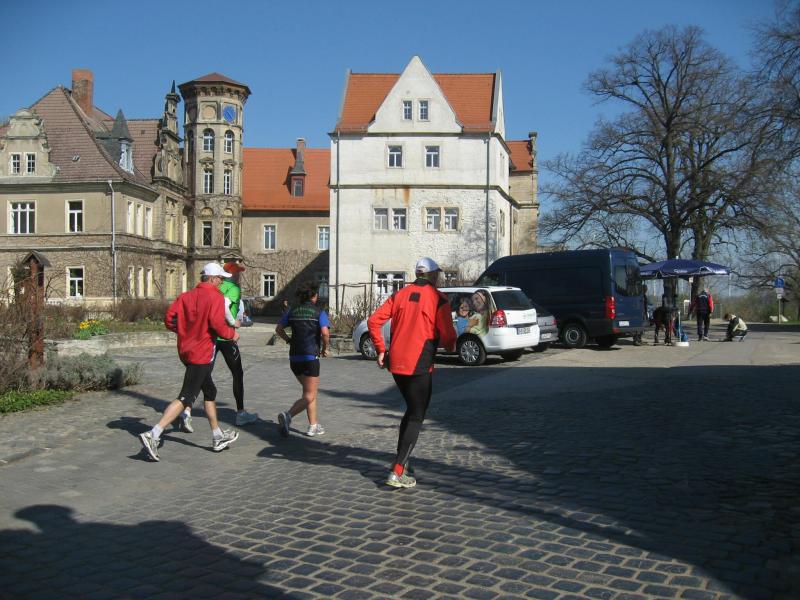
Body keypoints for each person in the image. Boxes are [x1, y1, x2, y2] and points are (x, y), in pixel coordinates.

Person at [367, 257, 457, 489]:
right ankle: (397, 470)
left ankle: (401, 463)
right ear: (433, 275)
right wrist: (452, 344)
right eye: (438, 274)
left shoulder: (400, 294)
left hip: (396, 363)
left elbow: (374, 321)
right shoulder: (438, 298)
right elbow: (448, 337)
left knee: (411, 410)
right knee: (417, 414)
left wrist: (381, 349)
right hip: (419, 364)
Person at [139, 263, 240, 462]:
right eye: (220, 278)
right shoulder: (215, 297)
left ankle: (217, 436)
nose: (222, 282)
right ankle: (153, 434)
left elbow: (169, 319)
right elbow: (216, 323)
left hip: (186, 350)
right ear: (212, 278)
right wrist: (231, 334)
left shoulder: (186, 296)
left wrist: (185, 333)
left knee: (210, 391)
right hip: (201, 354)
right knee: (186, 397)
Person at [178, 260, 257, 432]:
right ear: (232, 273)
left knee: (202, 375)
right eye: (238, 272)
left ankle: (187, 411)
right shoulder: (233, 288)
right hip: (225, 336)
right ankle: (241, 413)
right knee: (237, 374)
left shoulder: (210, 287)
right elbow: (225, 304)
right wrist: (233, 322)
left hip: (209, 337)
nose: (240, 275)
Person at [276, 281, 331, 437]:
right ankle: (288, 415)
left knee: (309, 392)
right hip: (310, 357)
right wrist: (325, 348)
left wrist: (288, 340)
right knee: (310, 394)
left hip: (294, 358)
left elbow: (278, 329)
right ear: (314, 296)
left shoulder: (292, 311)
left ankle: (313, 426)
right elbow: (325, 333)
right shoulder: (319, 312)